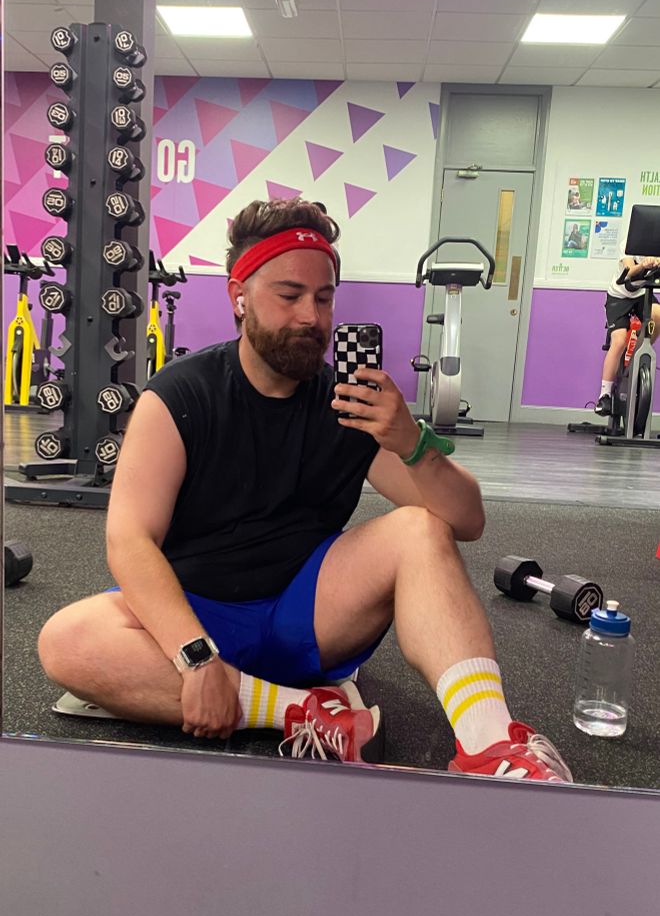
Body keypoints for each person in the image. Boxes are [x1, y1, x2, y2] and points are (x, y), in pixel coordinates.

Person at [38, 198, 572, 783]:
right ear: (239, 297)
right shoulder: (179, 396)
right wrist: (195, 657)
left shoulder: (351, 403)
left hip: (309, 616)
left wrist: (411, 441)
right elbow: (130, 541)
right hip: (198, 612)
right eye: (289, 296)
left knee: (420, 528)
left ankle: (490, 742)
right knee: (66, 641)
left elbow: (467, 520)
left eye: (323, 298)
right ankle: (302, 712)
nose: (310, 317)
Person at [595, 244, 660, 415]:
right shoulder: (629, 242)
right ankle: (604, 395)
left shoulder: (655, 242)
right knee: (619, 341)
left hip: (642, 293)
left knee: (658, 315)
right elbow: (630, 271)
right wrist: (644, 264)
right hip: (619, 295)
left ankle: (635, 359)